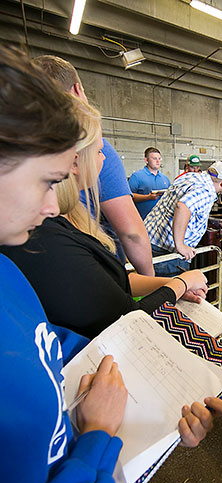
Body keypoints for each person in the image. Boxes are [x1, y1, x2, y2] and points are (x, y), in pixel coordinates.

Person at [0, 44, 128, 483]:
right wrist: (97, 437)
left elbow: (43, 345)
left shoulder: (7, 270)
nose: (54, 205)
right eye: (47, 182)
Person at [2, 102, 209, 339]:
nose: (103, 159)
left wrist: (167, 285)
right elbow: (125, 318)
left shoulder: (72, 216)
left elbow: (112, 282)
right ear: (75, 161)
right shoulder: (45, 235)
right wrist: (180, 283)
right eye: (99, 151)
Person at [35, 55, 155, 276]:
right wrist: (152, 283)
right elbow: (132, 233)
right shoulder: (89, 146)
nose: (101, 157)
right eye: (97, 152)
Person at [145, 161, 222, 276]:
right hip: (167, 251)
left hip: (151, 238)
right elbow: (182, 207)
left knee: (151, 285)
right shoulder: (206, 191)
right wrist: (180, 245)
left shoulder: (191, 176)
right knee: (170, 290)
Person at [128, 147, 171, 219]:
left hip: (161, 220)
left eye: (159, 158)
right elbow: (129, 196)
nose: (158, 161)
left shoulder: (165, 178)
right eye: (154, 158)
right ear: (146, 160)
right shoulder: (137, 176)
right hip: (143, 220)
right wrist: (148, 197)